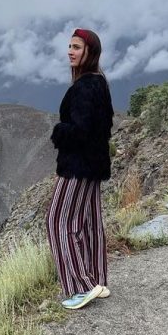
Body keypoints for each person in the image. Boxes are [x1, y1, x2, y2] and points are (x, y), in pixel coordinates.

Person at [46, 28, 114, 310]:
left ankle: (80, 287)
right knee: (88, 223)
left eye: (77, 47)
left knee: (58, 222)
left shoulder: (85, 86)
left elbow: (80, 130)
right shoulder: (99, 82)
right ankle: (97, 281)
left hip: (78, 166)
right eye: (70, 47)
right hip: (94, 164)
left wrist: (58, 131)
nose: (70, 52)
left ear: (90, 52)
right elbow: (104, 127)